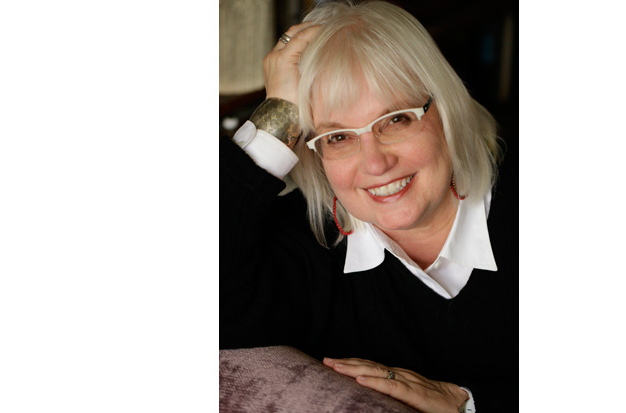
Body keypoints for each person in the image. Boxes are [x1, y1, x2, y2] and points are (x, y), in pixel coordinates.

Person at [220, 1, 517, 411]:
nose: (376, 163)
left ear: (445, 109)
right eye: (338, 137)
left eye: (397, 119)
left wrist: (468, 404)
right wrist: (279, 114)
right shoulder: (310, 245)